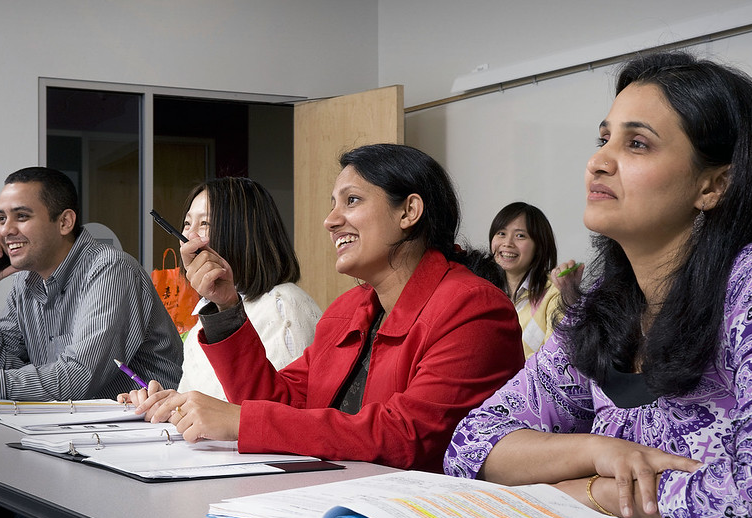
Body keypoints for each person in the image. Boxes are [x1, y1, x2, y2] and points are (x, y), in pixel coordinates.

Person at [445, 51, 752, 518]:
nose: (597, 162)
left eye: (637, 144)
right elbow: (472, 446)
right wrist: (598, 451)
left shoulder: (745, 289)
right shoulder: (600, 308)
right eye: (604, 138)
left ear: (714, 185)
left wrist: (598, 493)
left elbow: (744, 498)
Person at [122, 143, 525, 472]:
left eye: (351, 201)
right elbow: (280, 402)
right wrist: (226, 307)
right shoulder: (349, 309)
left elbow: (409, 438)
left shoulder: (474, 307)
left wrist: (241, 421)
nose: (331, 220)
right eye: (333, 204)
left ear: (409, 211)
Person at [0, 166, 183, 400]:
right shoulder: (26, 280)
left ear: (65, 222)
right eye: (1, 218)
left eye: (21, 216)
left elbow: (76, 379)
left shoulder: (111, 270)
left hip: (144, 427)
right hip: (65, 426)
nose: (5, 231)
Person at [176, 178, 322, 399]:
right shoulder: (211, 311)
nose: (189, 237)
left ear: (242, 232)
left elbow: (280, 411)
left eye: (205, 224)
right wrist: (166, 401)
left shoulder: (282, 306)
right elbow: (195, 399)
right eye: (187, 224)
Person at [489, 202, 561, 356]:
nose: (507, 243)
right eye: (501, 233)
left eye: (520, 236)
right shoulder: (482, 289)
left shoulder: (555, 292)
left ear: (539, 246)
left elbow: (554, 358)